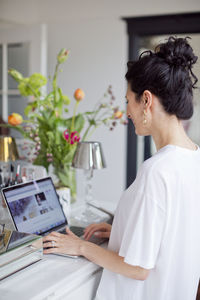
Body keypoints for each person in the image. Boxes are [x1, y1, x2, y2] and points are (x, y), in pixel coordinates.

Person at [43, 36, 200, 300]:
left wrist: (80, 246)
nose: (126, 110)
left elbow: (138, 268)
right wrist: (123, 231)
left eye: (129, 100)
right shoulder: (194, 159)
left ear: (146, 100)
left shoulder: (157, 171)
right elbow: (173, 232)